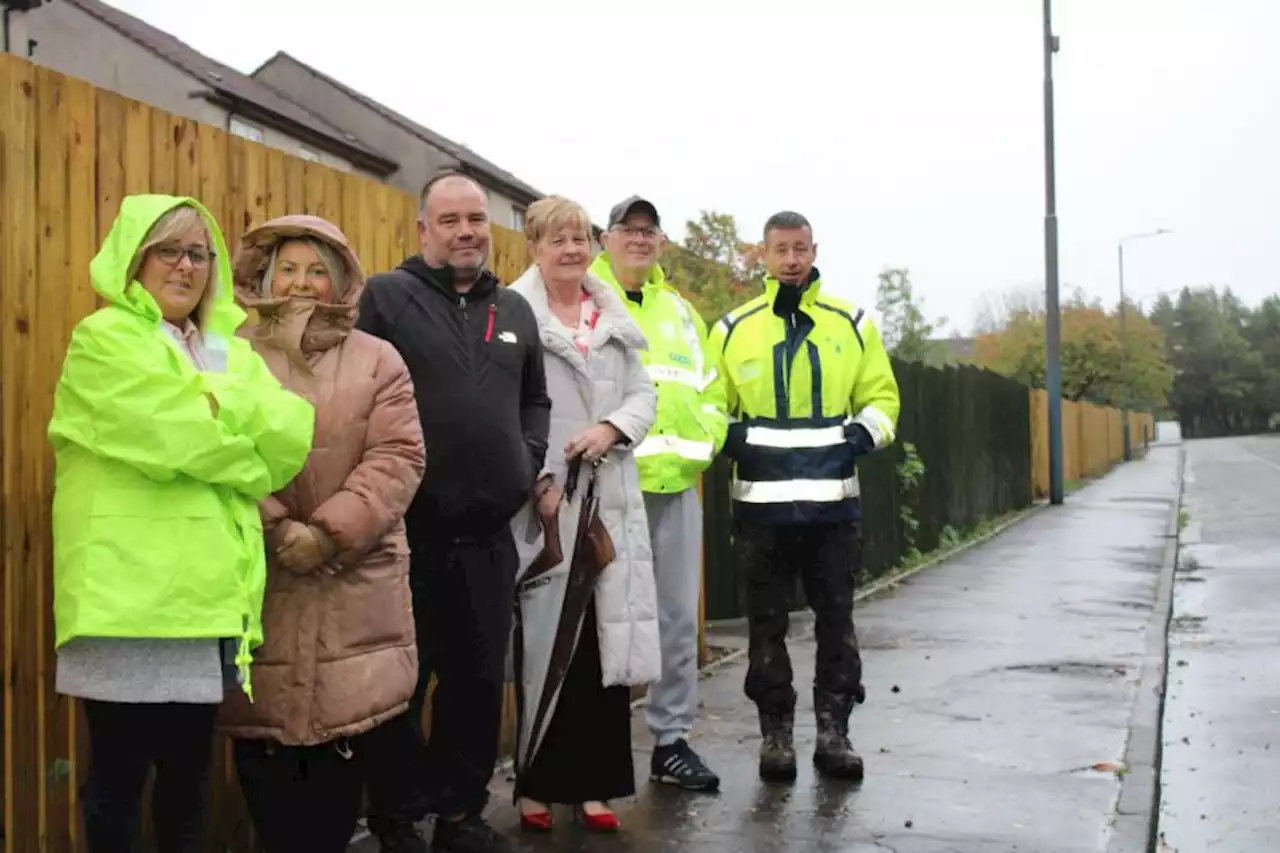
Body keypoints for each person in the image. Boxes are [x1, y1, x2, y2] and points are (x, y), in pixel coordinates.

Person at [46, 194, 315, 853]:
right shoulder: (103, 339)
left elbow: (289, 431)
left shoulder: (225, 349)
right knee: (118, 776)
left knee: (187, 779)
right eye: (168, 249)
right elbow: (173, 435)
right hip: (125, 595)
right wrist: (241, 448)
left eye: (199, 252)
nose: (186, 265)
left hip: (205, 598)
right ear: (135, 261)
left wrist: (219, 419)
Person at [218, 215, 427, 852]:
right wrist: (279, 526)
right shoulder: (230, 353)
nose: (302, 282)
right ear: (264, 274)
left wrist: (330, 534)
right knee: (268, 778)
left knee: (336, 794)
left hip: (353, 586)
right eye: (289, 268)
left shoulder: (377, 359)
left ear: (340, 282)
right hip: (262, 582)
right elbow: (218, 446)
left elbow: (397, 457)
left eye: (318, 271)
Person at [357, 171, 552, 853]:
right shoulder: (386, 298)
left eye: (476, 218)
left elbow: (537, 398)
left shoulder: (517, 312)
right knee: (402, 683)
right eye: (450, 220)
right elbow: (358, 394)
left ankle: (461, 813)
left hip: (489, 536)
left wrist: (527, 458)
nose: (467, 231)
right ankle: (396, 815)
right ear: (423, 229)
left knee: (475, 682)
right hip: (405, 535)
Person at [707, 210, 901, 783]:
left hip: (832, 507)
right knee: (765, 626)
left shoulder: (853, 324)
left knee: (836, 621)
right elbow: (708, 404)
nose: (792, 260)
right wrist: (732, 437)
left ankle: (834, 735)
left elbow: (883, 398)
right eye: (780, 250)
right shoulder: (733, 328)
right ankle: (775, 738)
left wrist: (860, 437)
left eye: (800, 249)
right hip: (760, 510)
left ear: (814, 250)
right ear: (762, 256)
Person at [509, 195, 659, 833]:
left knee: (603, 647)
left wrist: (611, 428)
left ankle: (598, 788)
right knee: (546, 645)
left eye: (579, 238)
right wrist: (532, 480)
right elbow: (505, 405)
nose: (570, 249)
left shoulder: (612, 316)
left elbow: (644, 395)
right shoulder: (517, 316)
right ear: (534, 248)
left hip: (611, 500)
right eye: (555, 239)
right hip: (545, 502)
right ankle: (534, 787)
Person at [589, 196, 726, 791]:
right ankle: (594, 752)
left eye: (649, 231)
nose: (639, 240)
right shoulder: (586, 300)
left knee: (674, 618)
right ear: (606, 238)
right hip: (607, 486)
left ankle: (671, 741)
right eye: (628, 230)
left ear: (661, 243)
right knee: (601, 620)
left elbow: (714, 390)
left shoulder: (682, 313)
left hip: (676, 487)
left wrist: (709, 439)